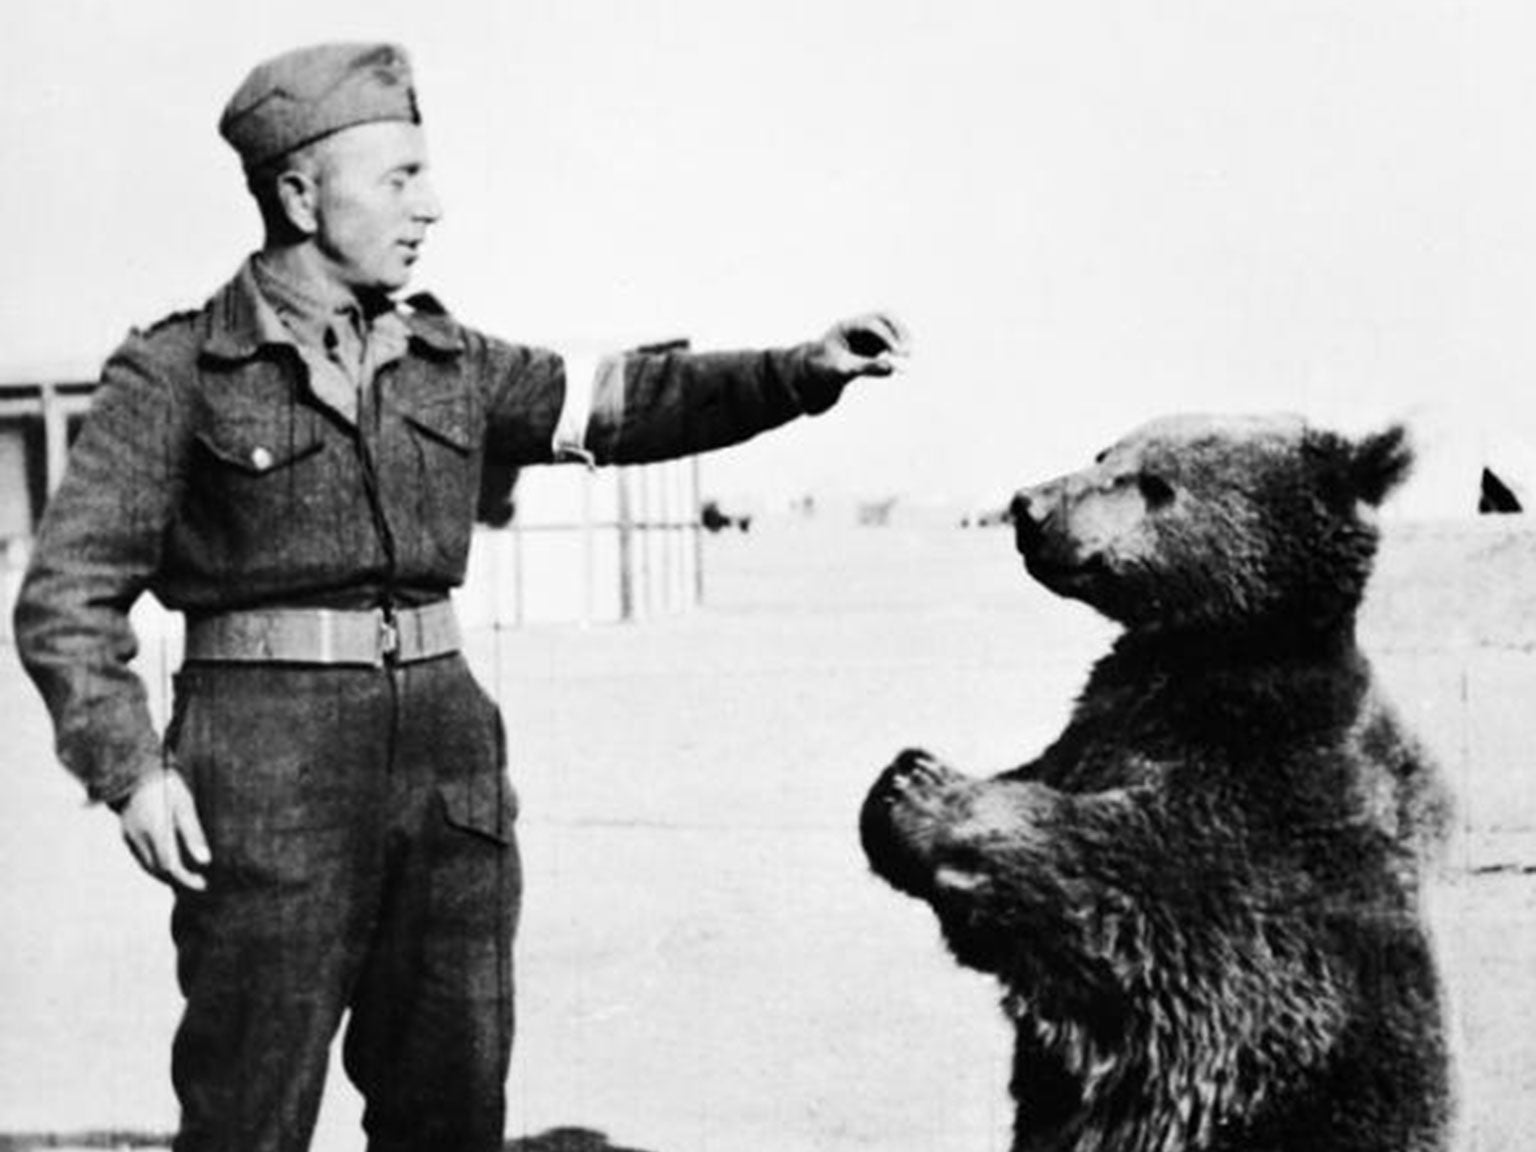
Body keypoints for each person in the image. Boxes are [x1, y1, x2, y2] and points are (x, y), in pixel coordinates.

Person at [13, 41, 909, 1152]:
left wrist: (799, 372)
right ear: (298, 193)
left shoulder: (455, 360)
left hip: (449, 774)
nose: (432, 207)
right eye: (399, 179)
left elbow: (635, 401)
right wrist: (131, 774)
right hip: (263, 777)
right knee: (249, 1114)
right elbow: (66, 599)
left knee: (453, 1107)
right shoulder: (179, 371)